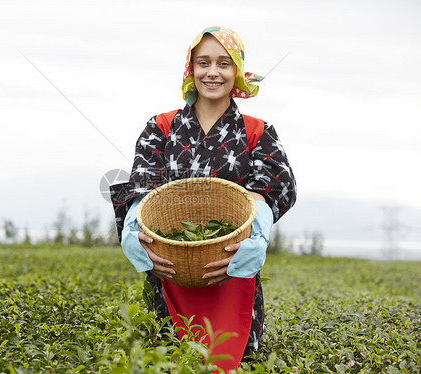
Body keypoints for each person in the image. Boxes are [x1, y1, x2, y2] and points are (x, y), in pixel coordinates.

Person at [110, 26, 296, 371]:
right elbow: (143, 184)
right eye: (204, 63)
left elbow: (273, 186)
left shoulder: (257, 131)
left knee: (234, 361)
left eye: (224, 64)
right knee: (170, 358)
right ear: (190, 69)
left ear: (237, 71)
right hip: (170, 271)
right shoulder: (161, 126)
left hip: (232, 269)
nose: (213, 72)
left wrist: (258, 233)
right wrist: (133, 228)